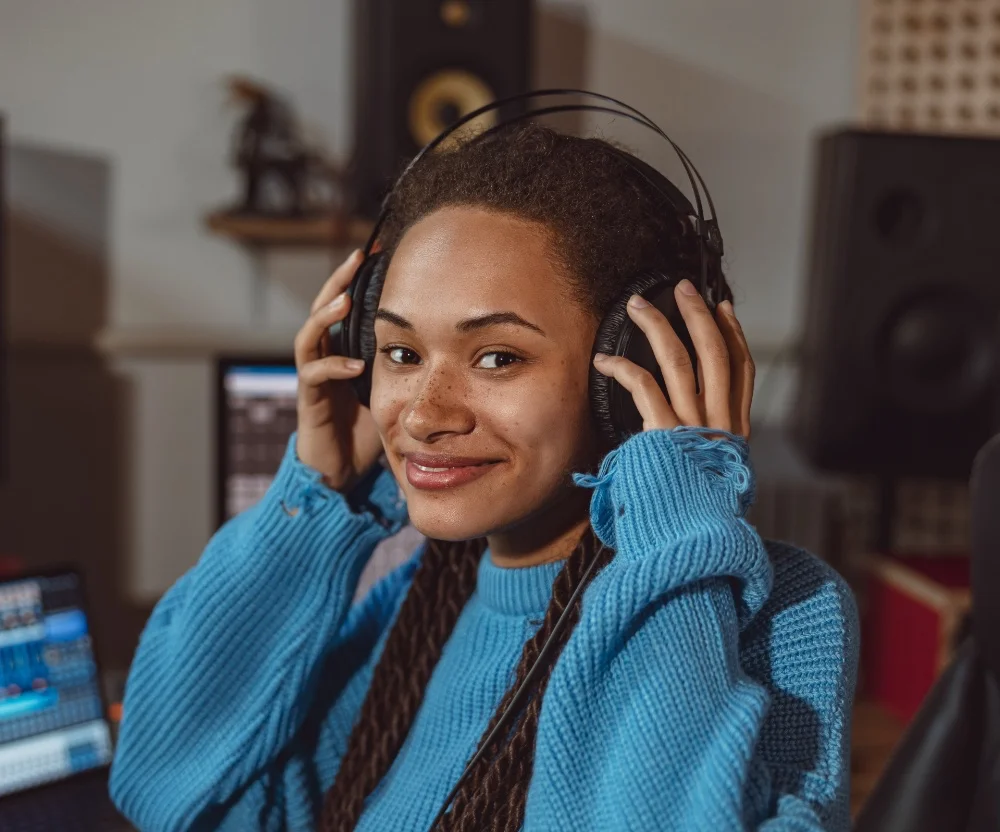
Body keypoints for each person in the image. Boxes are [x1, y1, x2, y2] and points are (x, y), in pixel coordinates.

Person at [109, 123, 858, 831]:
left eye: (497, 357)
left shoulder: (782, 617)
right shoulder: (424, 604)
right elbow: (170, 789)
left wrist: (681, 509)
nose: (424, 414)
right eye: (401, 353)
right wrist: (315, 492)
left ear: (640, 376)